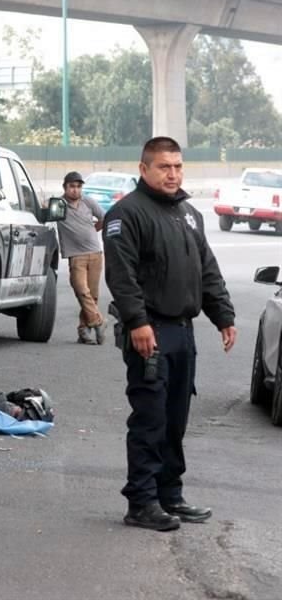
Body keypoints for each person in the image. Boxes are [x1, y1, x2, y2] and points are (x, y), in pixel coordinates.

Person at [102, 136, 236, 532]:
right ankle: (141, 502)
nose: (173, 173)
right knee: (150, 417)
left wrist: (223, 315)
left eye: (178, 166)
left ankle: (169, 495)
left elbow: (206, 270)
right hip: (151, 333)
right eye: (164, 166)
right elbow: (121, 277)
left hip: (183, 333)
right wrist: (137, 322)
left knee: (175, 419)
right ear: (143, 169)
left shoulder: (190, 215)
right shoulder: (125, 214)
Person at [56, 171, 106, 344]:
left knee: (93, 294)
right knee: (81, 290)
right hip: (76, 255)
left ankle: (83, 331)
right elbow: (46, 215)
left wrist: (94, 230)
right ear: (65, 187)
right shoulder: (59, 204)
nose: (75, 190)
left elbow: (103, 218)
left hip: (95, 253)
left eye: (78, 187)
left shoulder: (88, 201)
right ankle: (99, 322)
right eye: (72, 186)